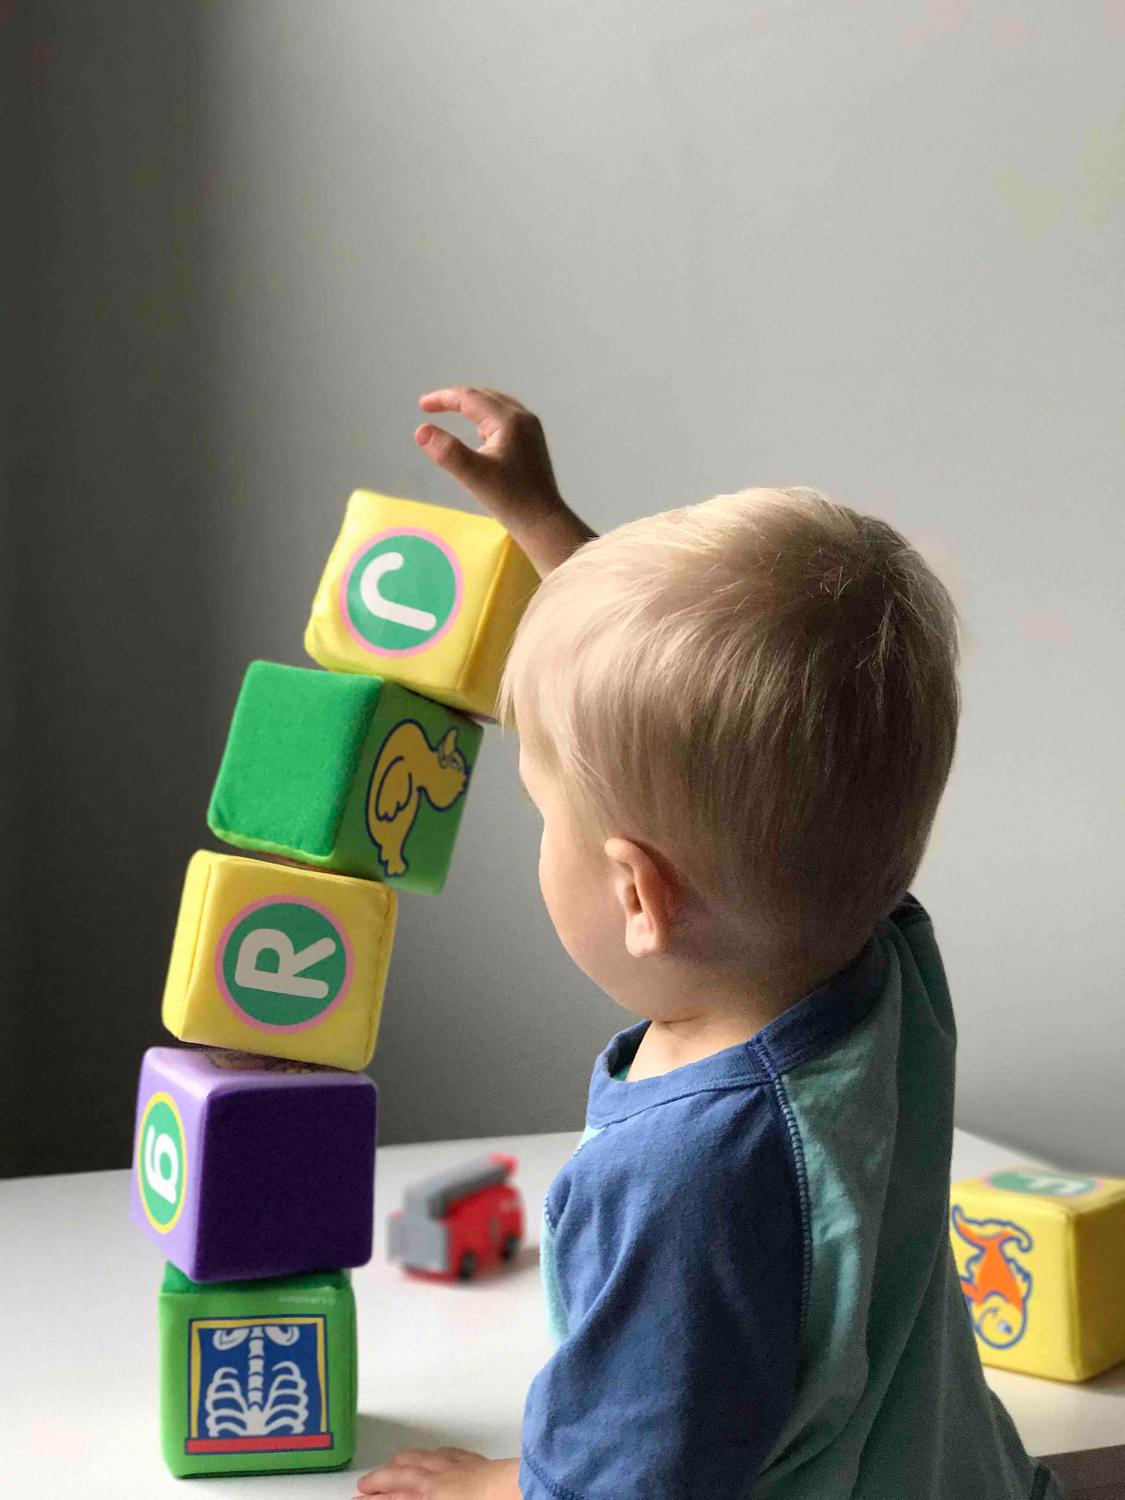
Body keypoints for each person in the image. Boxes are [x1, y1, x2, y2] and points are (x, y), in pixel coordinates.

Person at [353, 388, 1061, 1500]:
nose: (543, 831)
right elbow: (730, 742)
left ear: (640, 892)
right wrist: (548, 532)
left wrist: (498, 1486)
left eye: (546, 812)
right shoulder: (876, 956)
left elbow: (632, 1483)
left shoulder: (689, 1180)